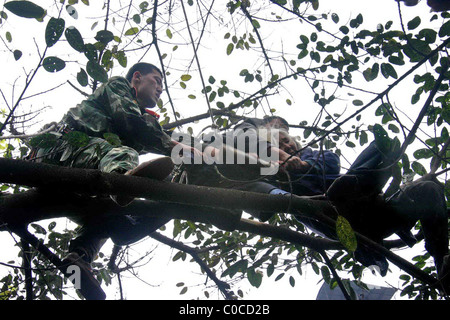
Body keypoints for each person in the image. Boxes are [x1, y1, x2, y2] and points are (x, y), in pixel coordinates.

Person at [26, 62, 207, 300]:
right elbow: (132, 124)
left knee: (111, 209)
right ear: (137, 78)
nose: (161, 88)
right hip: (58, 152)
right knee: (122, 156)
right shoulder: (118, 86)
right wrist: (176, 146)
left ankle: (80, 257)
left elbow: (150, 132)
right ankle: (123, 188)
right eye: (157, 80)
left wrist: (198, 152)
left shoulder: (145, 119)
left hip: (77, 176)